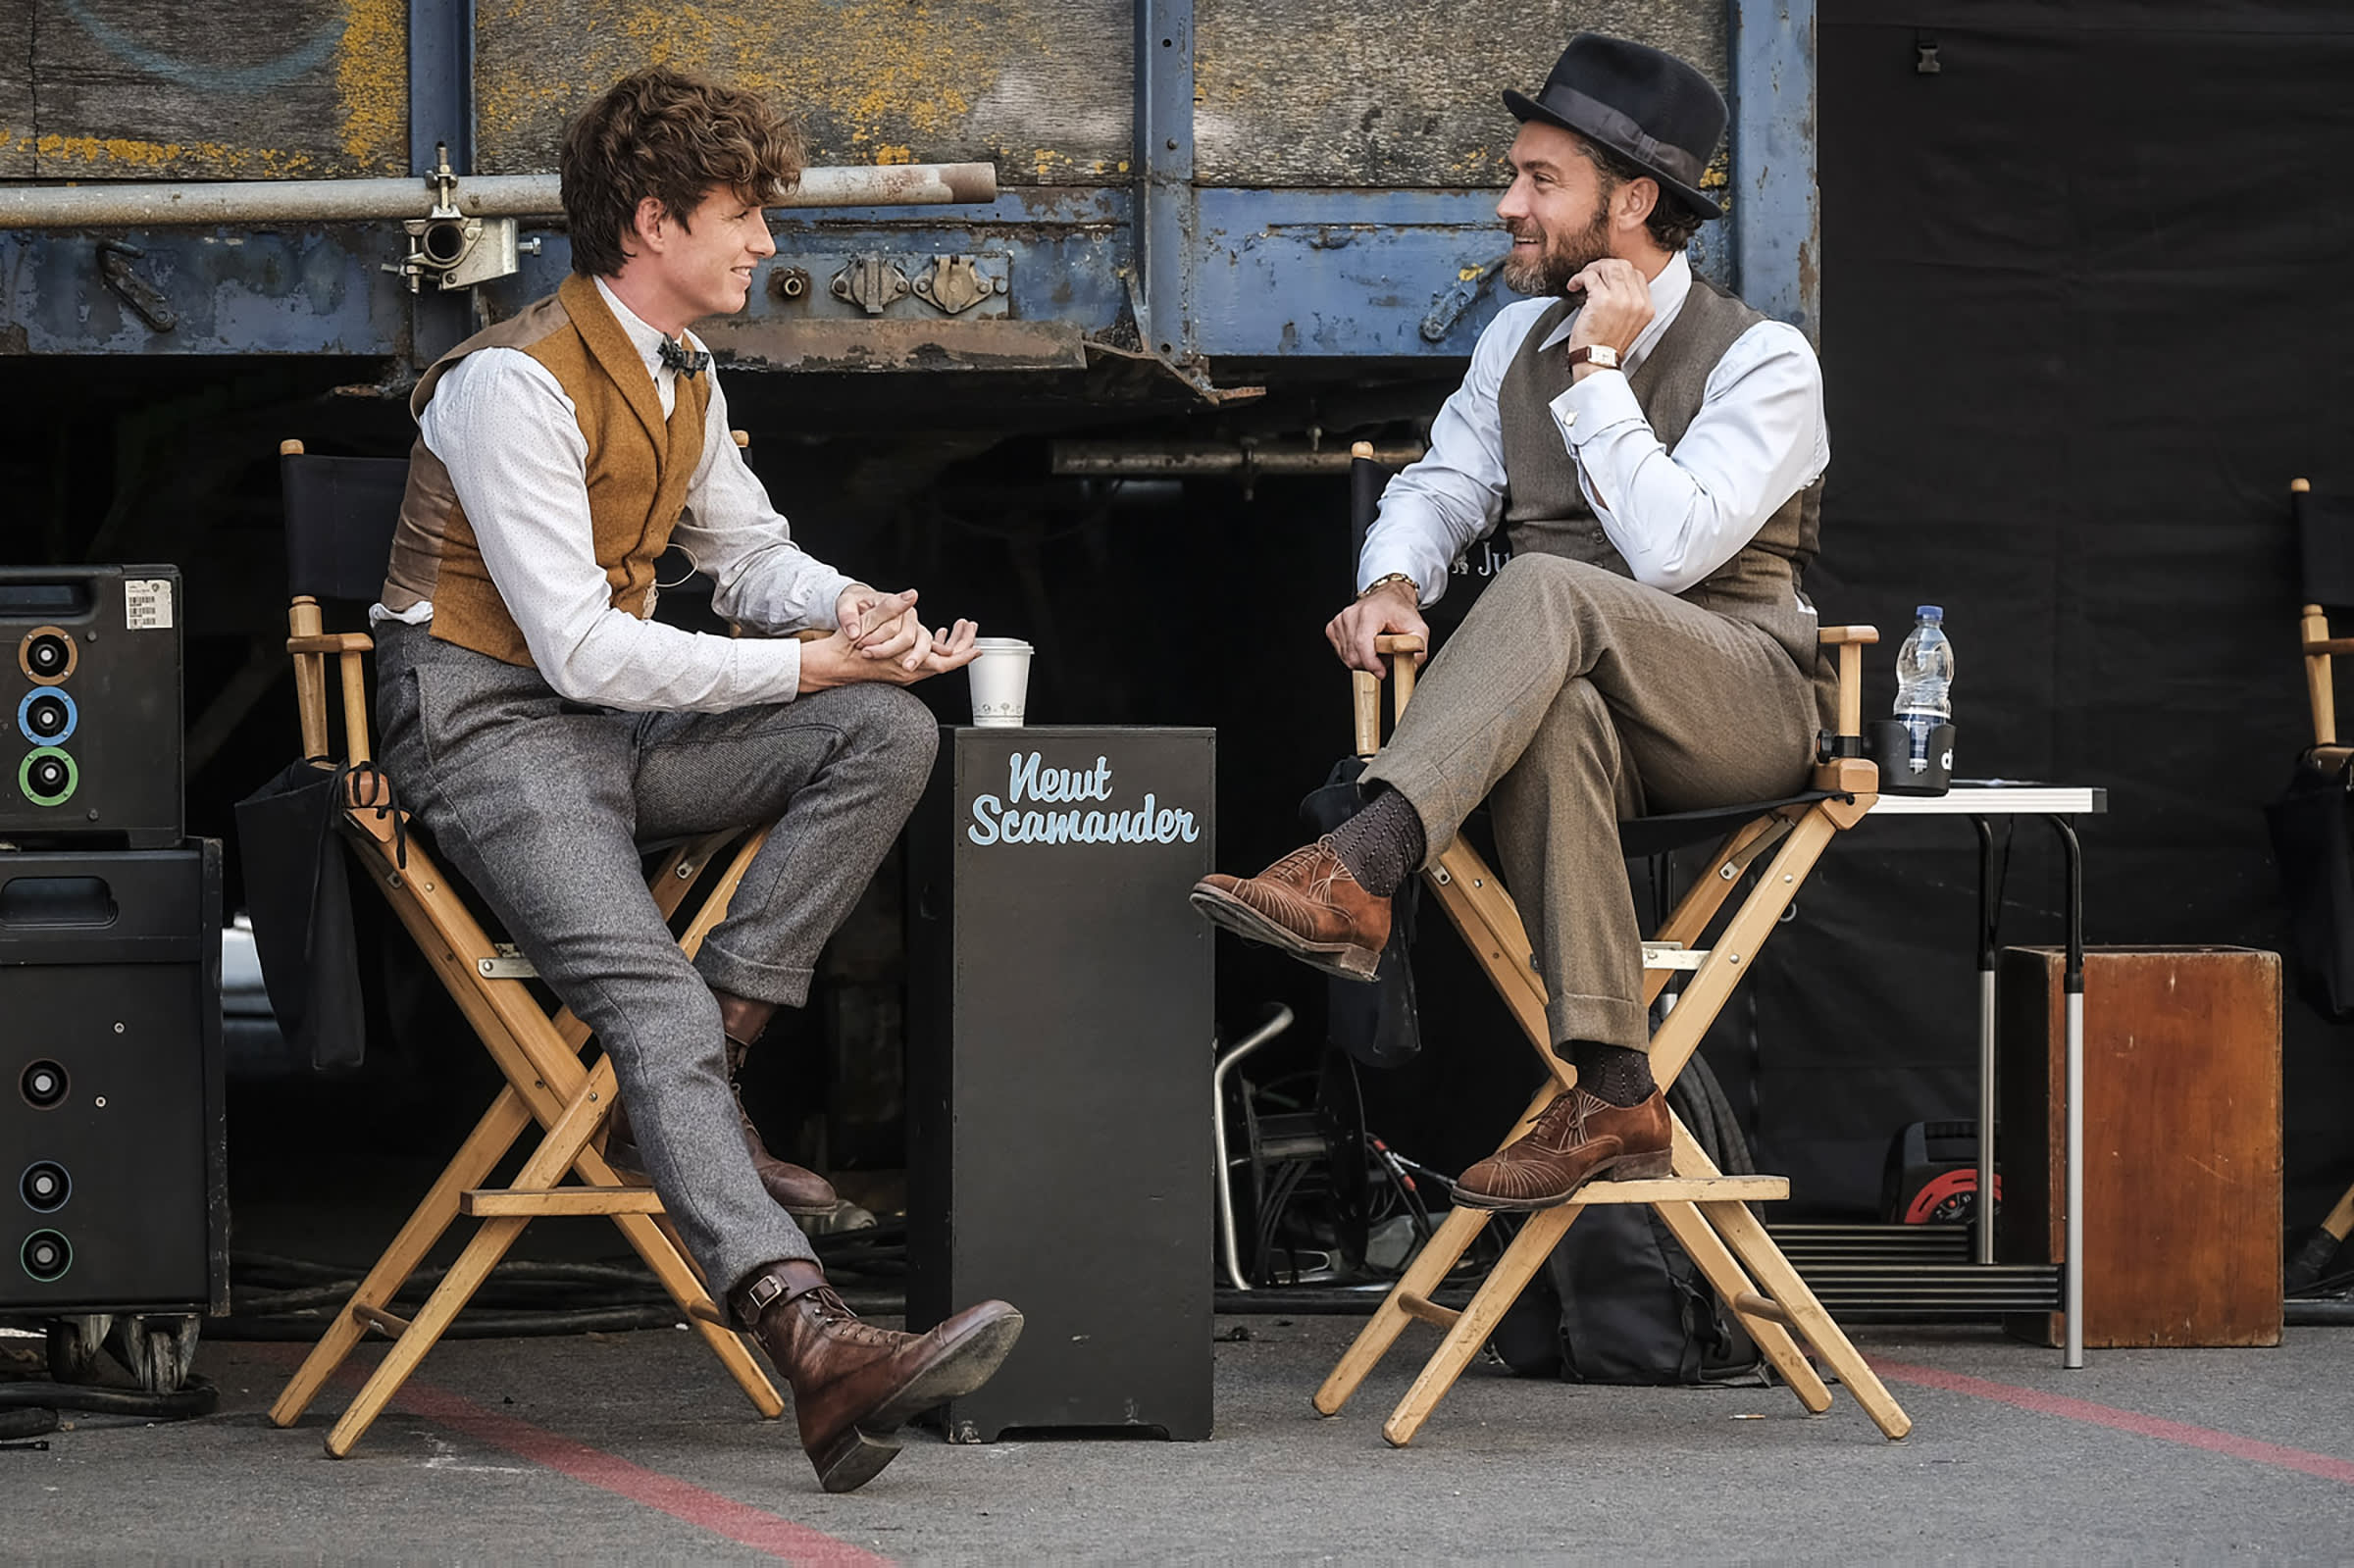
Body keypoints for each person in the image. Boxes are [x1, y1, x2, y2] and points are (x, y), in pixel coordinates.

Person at [369, 67, 1019, 1493]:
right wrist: (800, 670)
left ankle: (711, 1062)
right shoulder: (506, 385)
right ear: (653, 220)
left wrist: (858, 616)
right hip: (487, 728)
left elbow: (751, 559)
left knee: (891, 733)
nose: (768, 244)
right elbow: (585, 650)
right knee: (643, 988)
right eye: (741, 216)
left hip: (607, 724)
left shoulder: (685, 371)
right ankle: (818, 1345)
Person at [1192, 34, 1829, 1212]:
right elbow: (1440, 488)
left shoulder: (1765, 360)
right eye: (1516, 177)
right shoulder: (1509, 345)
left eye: (1541, 181)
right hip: (1587, 704)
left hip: (1737, 695)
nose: (1508, 204)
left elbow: (1672, 552)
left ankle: (1365, 863)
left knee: (1537, 591)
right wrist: (1393, 582)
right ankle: (1617, 1087)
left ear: (1633, 202)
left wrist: (1598, 371)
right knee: (1548, 709)